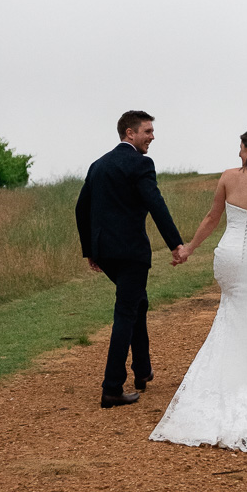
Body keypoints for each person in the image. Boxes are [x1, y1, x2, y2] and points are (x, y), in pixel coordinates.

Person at [151, 128, 247, 452]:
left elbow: (212, 217)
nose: (238, 152)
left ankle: (223, 381)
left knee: (231, 316)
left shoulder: (228, 178)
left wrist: (189, 248)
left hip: (228, 259)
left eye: (242, 147)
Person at [75, 110, 187, 409]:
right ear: (130, 133)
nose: (152, 136)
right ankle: (112, 387)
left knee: (138, 302)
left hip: (106, 253)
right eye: (147, 131)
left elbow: (81, 207)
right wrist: (175, 243)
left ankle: (142, 369)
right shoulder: (140, 163)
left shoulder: (98, 165)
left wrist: (90, 249)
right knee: (126, 311)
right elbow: (155, 204)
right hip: (131, 254)